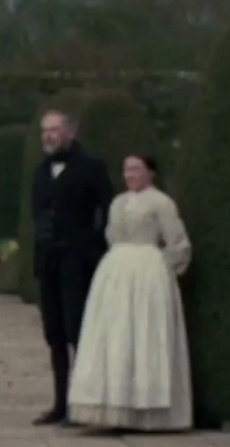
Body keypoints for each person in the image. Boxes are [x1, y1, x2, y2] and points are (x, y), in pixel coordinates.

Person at [67, 155, 193, 430]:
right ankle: (111, 404)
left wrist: (162, 270)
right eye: (126, 170)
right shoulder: (118, 202)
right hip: (116, 270)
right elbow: (112, 235)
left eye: (136, 169)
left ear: (151, 173)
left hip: (147, 269)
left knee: (144, 334)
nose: (130, 175)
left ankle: (148, 409)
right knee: (114, 333)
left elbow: (177, 242)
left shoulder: (161, 202)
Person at [28, 109, 115, 425]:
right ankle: (60, 403)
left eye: (54, 130)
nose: (48, 136)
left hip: (78, 261)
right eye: (44, 131)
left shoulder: (91, 167)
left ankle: (85, 403)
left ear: (70, 133)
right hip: (49, 260)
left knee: (77, 329)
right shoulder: (40, 171)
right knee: (54, 334)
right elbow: (37, 217)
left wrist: (94, 248)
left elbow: (108, 210)